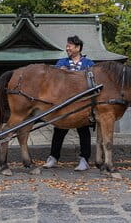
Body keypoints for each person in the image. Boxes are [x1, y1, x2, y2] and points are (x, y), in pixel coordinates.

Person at [43, 35, 94, 172]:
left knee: (84, 131)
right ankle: (53, 157)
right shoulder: (61, 62)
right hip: (65, 102)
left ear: (78, 48)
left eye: (70, 46)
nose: (67, 48)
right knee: (59, 129)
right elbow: (54, 80)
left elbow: (93, 83)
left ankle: (84, 159)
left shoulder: (89, 64)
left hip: (82, 103)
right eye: (67, 46)